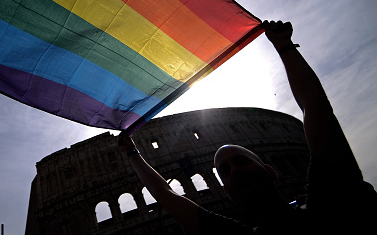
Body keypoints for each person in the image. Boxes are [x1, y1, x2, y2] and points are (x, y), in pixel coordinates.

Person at [118, 20, 377, 234]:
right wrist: (132, 154)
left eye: (241, 162)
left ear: (271, 171)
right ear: (227, 193)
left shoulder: (333, 203)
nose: (236, 171)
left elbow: (316, 108)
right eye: (225, 171)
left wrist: (285, 46)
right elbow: (166, 196)